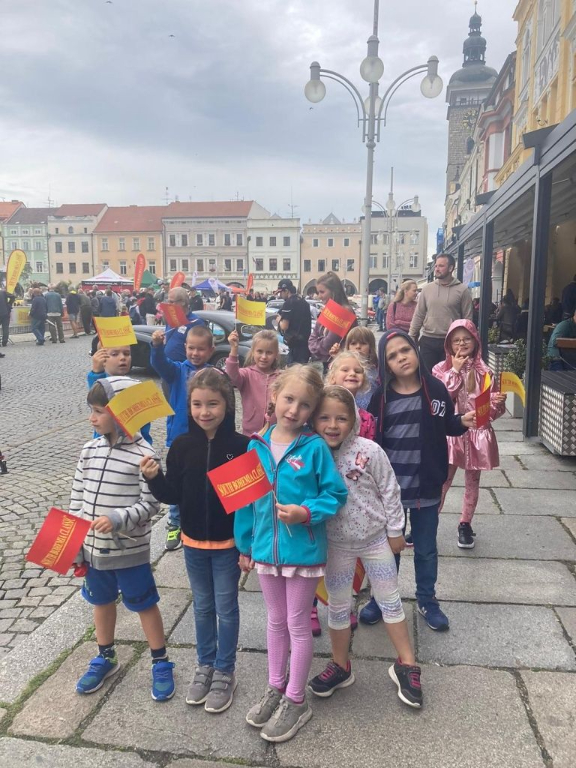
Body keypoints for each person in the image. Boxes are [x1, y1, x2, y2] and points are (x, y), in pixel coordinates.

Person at [235, 366, 348, 743]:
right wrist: (245, 545)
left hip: (303, 553)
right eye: (289, 399)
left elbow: (335, 494)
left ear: (312, 411)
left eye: (304, 405)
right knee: (275, 620)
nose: (294, 409)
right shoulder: (256, 445)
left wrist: (306, 512)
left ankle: (296, 700)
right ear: (274, 396)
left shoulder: (314, 448)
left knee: (298, 623)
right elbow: (246, 502)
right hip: (266, 552)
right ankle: (276, 686)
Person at [142, 369, 249, 713]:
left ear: (227, 405)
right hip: (193, 545)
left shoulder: (241, 447)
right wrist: (154, 479)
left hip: (228, 546)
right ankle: (205, 664)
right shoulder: (182, 446)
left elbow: (249, 505)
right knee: (202, 607)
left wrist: (247, 546)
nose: (205, 411)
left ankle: (225, 670)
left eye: (213, 404)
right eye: (198, 404)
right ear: (188, 406)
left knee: (226, 609)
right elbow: (173, 495)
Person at [309, 386, 422, 708]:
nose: (333, 425)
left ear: (354, 419)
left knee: (390, 600)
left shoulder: (370, 451)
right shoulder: (312, 453)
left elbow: (390, 489)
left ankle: (407, 664)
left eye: (341, 418)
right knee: (338, 606)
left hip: (375, 541)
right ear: (313, 420)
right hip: (336, 546)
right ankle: (340, 665)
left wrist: (396, 530)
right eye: (324, 418)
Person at [362, 331, 474, 631]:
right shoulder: (381, 397)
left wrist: (462, 421)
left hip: (426, 487)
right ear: (385, 364)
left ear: (415, 350)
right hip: (390, 493)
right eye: (392, 356)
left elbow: (447, 424)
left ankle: (427, 599)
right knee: (388, 549)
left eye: (405, 350)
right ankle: (381, 597)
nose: (401, 358)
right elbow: (369, 438)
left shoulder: (434, 388)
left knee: (425, 548)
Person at [72, 377, 175, 701]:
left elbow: (151, 505)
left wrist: (118, 519)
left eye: (98, 411)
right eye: (92, 410)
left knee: (144, 604)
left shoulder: (144, 455)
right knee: (100, 602)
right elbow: (77, 497)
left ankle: (160, 661)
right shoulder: (89, 450)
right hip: (94, 552)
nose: (92, 418)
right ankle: (105, 656)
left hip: (129, 551)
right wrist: (74, 543)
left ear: (120, 414)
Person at [432, 320, 506, 548]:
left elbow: (491, 413)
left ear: (475, 341)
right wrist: (454, 371)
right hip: (451, 433)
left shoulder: (485, 372)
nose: (462, 344)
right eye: (456, 340)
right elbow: (442, 398)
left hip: (476, 435)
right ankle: (427, 523)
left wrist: (496, 403)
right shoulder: (440, 370)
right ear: (448, 344)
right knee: (442, 481)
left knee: (472, 482)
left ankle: (465, 524)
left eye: (466, 339)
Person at [151, 325, 215, 551]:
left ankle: (200, 517)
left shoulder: (213, 375)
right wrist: (157, 346)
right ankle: (175, 523)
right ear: (185, 347)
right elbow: (160, 364)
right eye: (191, 348)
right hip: (180, 439)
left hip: (207, 439)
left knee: (203, 481)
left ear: (210, 350)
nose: (195, 353)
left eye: (201, 349)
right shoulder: (177, 370)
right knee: (177, 481)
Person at [409, 254, 473, 373]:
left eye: (441, 266)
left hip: (451, 342)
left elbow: (467, 320)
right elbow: (419, 314)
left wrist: (466, 344)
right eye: (436, 266)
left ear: (451, 268)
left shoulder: (463, 290)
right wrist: (412, 336)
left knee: (449, 376)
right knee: (426, 377)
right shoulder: (427, 289)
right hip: (428, 340)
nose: (437, 269)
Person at [88, 345, 153, 444]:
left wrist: (145, 445)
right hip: (106, 445)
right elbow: (97, 394)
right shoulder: (101, 383)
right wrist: (97, 372)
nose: (122, 357)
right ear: (101, 359)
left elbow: (143, 425)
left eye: (127, 353)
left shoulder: (137, 387)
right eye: (115, 354)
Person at [225, 329, 281, 436]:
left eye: (269, 352)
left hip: (275, 434)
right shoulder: (246, 374)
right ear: (253, 352)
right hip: (250, 433)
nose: (264, 357)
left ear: (276, 354)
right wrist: (234, 350)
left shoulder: (281, 377)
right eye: (260, 351)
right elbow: (231, 377)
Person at [309, 272, 356, 369]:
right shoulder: (328, 309)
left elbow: (328, 344)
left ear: (333, 291)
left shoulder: (344, 311)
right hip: (330, 363)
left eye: (322, 292)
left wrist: (316, 346)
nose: (319, 296)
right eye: (318, 292)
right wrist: (317, 346)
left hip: (341, 364)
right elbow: (313, 337)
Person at [326, 352, 376, 441]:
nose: (353, 373)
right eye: (345, 370)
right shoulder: (320, 411)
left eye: (357, 371)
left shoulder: (367, 420)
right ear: (333, 377)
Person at [162, 287, 206, 363]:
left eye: (171, 302)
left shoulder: (195, 322)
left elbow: (201, 349)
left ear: (182, 302)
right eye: (167, 301)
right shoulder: (171, 318)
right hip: (167, 365)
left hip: (183, 366)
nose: (168, 305)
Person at [342, 326, 379, 410]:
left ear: (370, 347)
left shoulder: (376, 369)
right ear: (348, 347)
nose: (358, 346)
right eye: (353, 343)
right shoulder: (343, 368)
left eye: (363, 343)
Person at [277, 279, 312, 365]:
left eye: (281, 292)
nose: (280, 295)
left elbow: (284, 326)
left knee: (292, 370)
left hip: (294, 344)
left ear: (286, 291)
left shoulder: (289, 303)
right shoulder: (304, 302)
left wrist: (279, 320)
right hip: (305, 344)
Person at [0, 287, 15, 352]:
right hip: (5, 312)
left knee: (5, 327)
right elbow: (13, 296)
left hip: (4, 312)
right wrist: (9, 304)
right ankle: (4, 342)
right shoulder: (3, 292)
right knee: (5, 328)